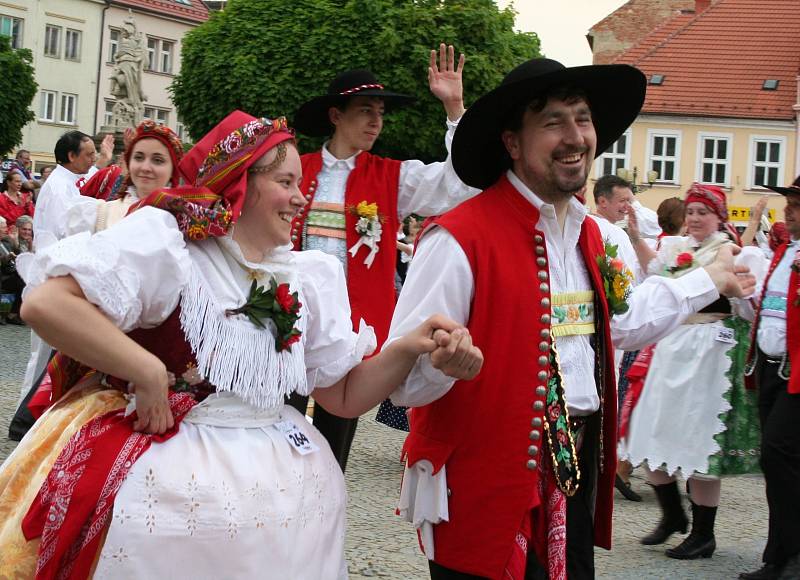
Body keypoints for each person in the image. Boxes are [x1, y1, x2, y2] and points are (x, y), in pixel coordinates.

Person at [0, 111, 482, 578]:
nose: (299, 200)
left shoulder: (305, 274)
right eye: (286, 183)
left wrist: (408, 347)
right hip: (172, 465)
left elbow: (344, 396)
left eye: (298, 184)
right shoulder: (172, 246)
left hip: (285, 476)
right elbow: (45, 304)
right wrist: (144, 370)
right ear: (240, 184)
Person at [385, 57, 756, 579]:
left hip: (574, 470)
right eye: (553, 122)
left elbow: (623, 324)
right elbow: (402, 382)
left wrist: (709, 281)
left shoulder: (594, 237)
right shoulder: (458, 239)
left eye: (582, 119)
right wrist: (441, 366)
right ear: (512, 142)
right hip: (486, 485)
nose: (574, 135)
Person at [289, 44, 478, 471]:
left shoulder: (394, 177)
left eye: (380, 112)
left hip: (350, 337)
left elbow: (460, 183)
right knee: (274, 440)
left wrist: (454, 109)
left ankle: (323, 527)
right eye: (365, 111)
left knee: (332, 457)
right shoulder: (295, 170)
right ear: (336, 116)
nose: (376, 121)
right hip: (288, 328)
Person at [624, 183, 766, 560]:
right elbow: (652, 270)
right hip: (673, 346)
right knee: (650, 432)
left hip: (709, 352)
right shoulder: (676, 247)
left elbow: (748, 302)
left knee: (700, 442)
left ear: (719, 216)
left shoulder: (727, 249)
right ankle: (672, 515)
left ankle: (704, 534)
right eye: (691, 212)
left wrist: (738, 298)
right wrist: (636, 236)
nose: (695, 218)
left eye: (703, 212)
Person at [738, 176, 800, 580]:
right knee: (776, 462)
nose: (788, 208)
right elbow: (768, 307)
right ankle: (778, 556)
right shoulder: (783, 253)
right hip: (770, 369)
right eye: (789, 201)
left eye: (796, 203)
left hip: (796, 375)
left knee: (779, 454)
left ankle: (793, 554)